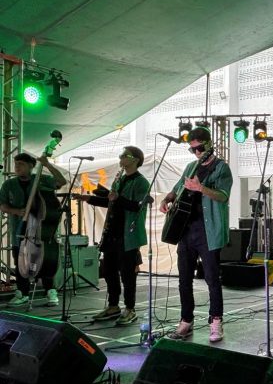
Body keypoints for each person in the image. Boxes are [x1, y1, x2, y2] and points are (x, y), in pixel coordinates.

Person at [160, 126, 232, 342]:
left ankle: (216, 322)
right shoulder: (191, 166)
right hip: (186, 231)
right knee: (184, 279)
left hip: (208, 232)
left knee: (212, 278)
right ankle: (186, 321)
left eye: (200, 148)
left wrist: (201, 189)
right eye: (193, 149)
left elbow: (223, 196)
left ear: (209, 144)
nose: (197, 153)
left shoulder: (221, 168)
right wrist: (167, 199)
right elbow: (177, 188)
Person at [74, 146, 149, 325]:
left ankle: (130, 308)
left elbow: (137, 206)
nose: (120, 158)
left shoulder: (141, 182)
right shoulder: (119, 179)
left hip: (128, 235)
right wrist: (89, 199)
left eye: (125, 155)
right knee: (109, 271)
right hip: (112, 233)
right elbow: (111, 202)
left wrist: (115, 198)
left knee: (127, 274)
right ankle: (113, 305)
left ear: (135, 159)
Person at [0, 152, 67, 307]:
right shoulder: (9, 184)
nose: (17, 167)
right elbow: (2, 205)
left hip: (41, 230)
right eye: (16, 164)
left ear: (31, 166)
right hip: (19, 229)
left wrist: (47, 164)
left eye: (21, 164)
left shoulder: (42, 180)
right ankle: (22, 293)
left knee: (45, 259)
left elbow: (61, 181)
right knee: (20, 261)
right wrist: (16, 211)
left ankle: (50, 291)